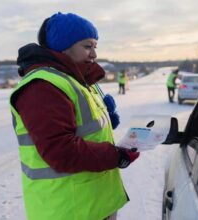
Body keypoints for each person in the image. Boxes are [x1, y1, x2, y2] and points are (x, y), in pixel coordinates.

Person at [9, 12, 140, 220]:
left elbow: (83, 128)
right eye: (87, 46)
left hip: (93, 204)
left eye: (95, 47)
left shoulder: (75, 78)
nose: (94, 54)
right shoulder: (43, 86)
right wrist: (116, 155)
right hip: (68, 209)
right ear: (63, 47)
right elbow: (60, 151)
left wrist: (105, 117)